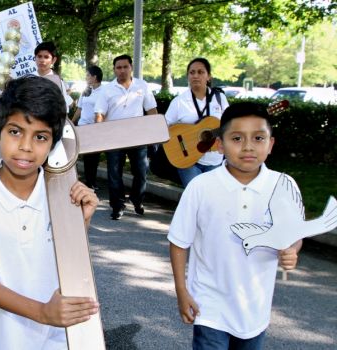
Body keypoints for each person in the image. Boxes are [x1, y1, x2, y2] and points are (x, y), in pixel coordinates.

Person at [0, 75, 100, 350]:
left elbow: (66, 260)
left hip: (57, 338)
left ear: (53, 143)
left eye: (40, 137)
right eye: (15, 131)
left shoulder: (62, 193)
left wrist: (82, 221)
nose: (26, 146)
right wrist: (44, 312)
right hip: (1, 339)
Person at [168, 102, 302, 349]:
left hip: (255, 309)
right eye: (237, 138)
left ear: (270, 144)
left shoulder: (284, 186)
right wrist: (182, 291)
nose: (248, 146)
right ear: (219, 144)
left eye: (259, 138)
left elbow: (294, 233)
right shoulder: (200, 187)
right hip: (209, 306)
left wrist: (293, 249)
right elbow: (179, 241)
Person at [94, 54, 158, 220]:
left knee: (141, 171)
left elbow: (151, 110)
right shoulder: (107, 89)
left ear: (131, 67)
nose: (122, 70)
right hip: (114, 137)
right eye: (118, 67)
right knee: (114, 173)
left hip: (138, 137)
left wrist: (155, 132)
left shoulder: (142, 86)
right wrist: (99, 134)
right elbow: (99, 114)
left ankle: (137, 200)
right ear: (114, 70)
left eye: (125, 67)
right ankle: (117, 206)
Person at [165, 57, 229, 187]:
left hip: (215, 160)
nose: (195, 76)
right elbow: (164, 127)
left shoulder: (220, 98)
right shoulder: (179, 101)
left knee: (211, 200)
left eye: (200, 72)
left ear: (208, 76)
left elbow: (229, 123)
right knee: (195, 199)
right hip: (188, 161)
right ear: (188, 76)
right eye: (192, 72)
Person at [72, 65, 104, 190]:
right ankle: (88, 181)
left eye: (87, 75)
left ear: (94, 77)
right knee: (85, 156)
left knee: (94, 156)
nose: (86, 78)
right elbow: (80, 108)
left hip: (95, 128)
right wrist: (72, 122)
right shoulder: (85, 91)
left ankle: (92, 181)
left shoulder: (104, 92)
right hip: (82, 127)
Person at [33, 41, 73, 111]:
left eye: (46, 57)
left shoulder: (58, 82)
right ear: (35, 58)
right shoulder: (28, 79)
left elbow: (64, 108)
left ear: (53, 60)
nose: (42, 60)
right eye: (39, 56)